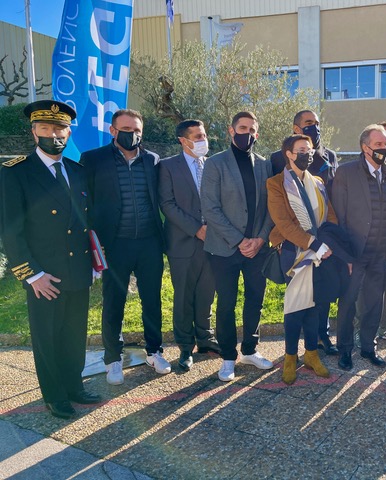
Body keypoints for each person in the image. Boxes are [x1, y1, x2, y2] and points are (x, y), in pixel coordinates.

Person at [0, 100, 100, 419]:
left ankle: (74, 385)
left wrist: (95, 263)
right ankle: (55, 396)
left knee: (74, 333)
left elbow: (86, 222)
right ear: (33, 131)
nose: (53, 134)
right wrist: (32, 275)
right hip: (45, 275)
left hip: (78, 269)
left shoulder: (77, 170)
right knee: (48, 337)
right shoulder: (16, 172)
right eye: (45, 128)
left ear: (68, 132)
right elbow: (10, 232)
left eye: (59, 128)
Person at [81, 109, 170, 385]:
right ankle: (113, 358)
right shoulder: (92, 159)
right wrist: (94, 243)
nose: (133, 134)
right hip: (114, 245)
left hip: (149, 243)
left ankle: (154, 351)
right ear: (113, 130)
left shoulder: (153, 160)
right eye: (127, 128)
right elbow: (85, 203)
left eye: (137, 130)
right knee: (113, 303)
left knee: (152, 301)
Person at [201, 111, 274, 382]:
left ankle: (250, 350)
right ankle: (228, 357)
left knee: (255, 299)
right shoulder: (215, 164)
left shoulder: (264, 165)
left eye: (252, 129)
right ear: (231, 131)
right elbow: (210, 207)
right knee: (226, 303)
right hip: (224, 248)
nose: (248, 133)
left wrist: (260, 238)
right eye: (242, 128)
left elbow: (270, 207)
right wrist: (239, 240)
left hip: (257, 248)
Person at [266, 134, 337, 384]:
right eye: (301, 150)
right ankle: (289, 357)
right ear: (289, 154)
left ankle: (311, 354)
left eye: (309, 149)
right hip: (294, 252)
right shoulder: (276, 184)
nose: (308, 153)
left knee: (315, 306)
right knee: (295, 307)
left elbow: (330, 215)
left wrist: (329, 241)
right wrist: (314, 244)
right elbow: (283, 224)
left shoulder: (317, 181)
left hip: (320, 252)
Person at [331, 124, 386, 370]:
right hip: (354, 253)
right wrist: (344, 255)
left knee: (374, 303)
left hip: (381, 254)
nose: (383, 148)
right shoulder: (346, 172)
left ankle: (369, 347)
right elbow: (338, 215)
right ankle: (345, 350)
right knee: (348, 303)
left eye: (385, 144)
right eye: (378, 144)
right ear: (365, 147)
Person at [158, 120, 221, 372]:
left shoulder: (213, 164)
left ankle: (205, 337)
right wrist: (196, 228)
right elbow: (167, 204)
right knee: (184, 295)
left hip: (213, 243)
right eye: (197, 136)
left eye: (204, 134)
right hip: (183, 242)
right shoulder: (167, 167)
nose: (203, 140)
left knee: (207, 292)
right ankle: (185, 345)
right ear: (183, 140)